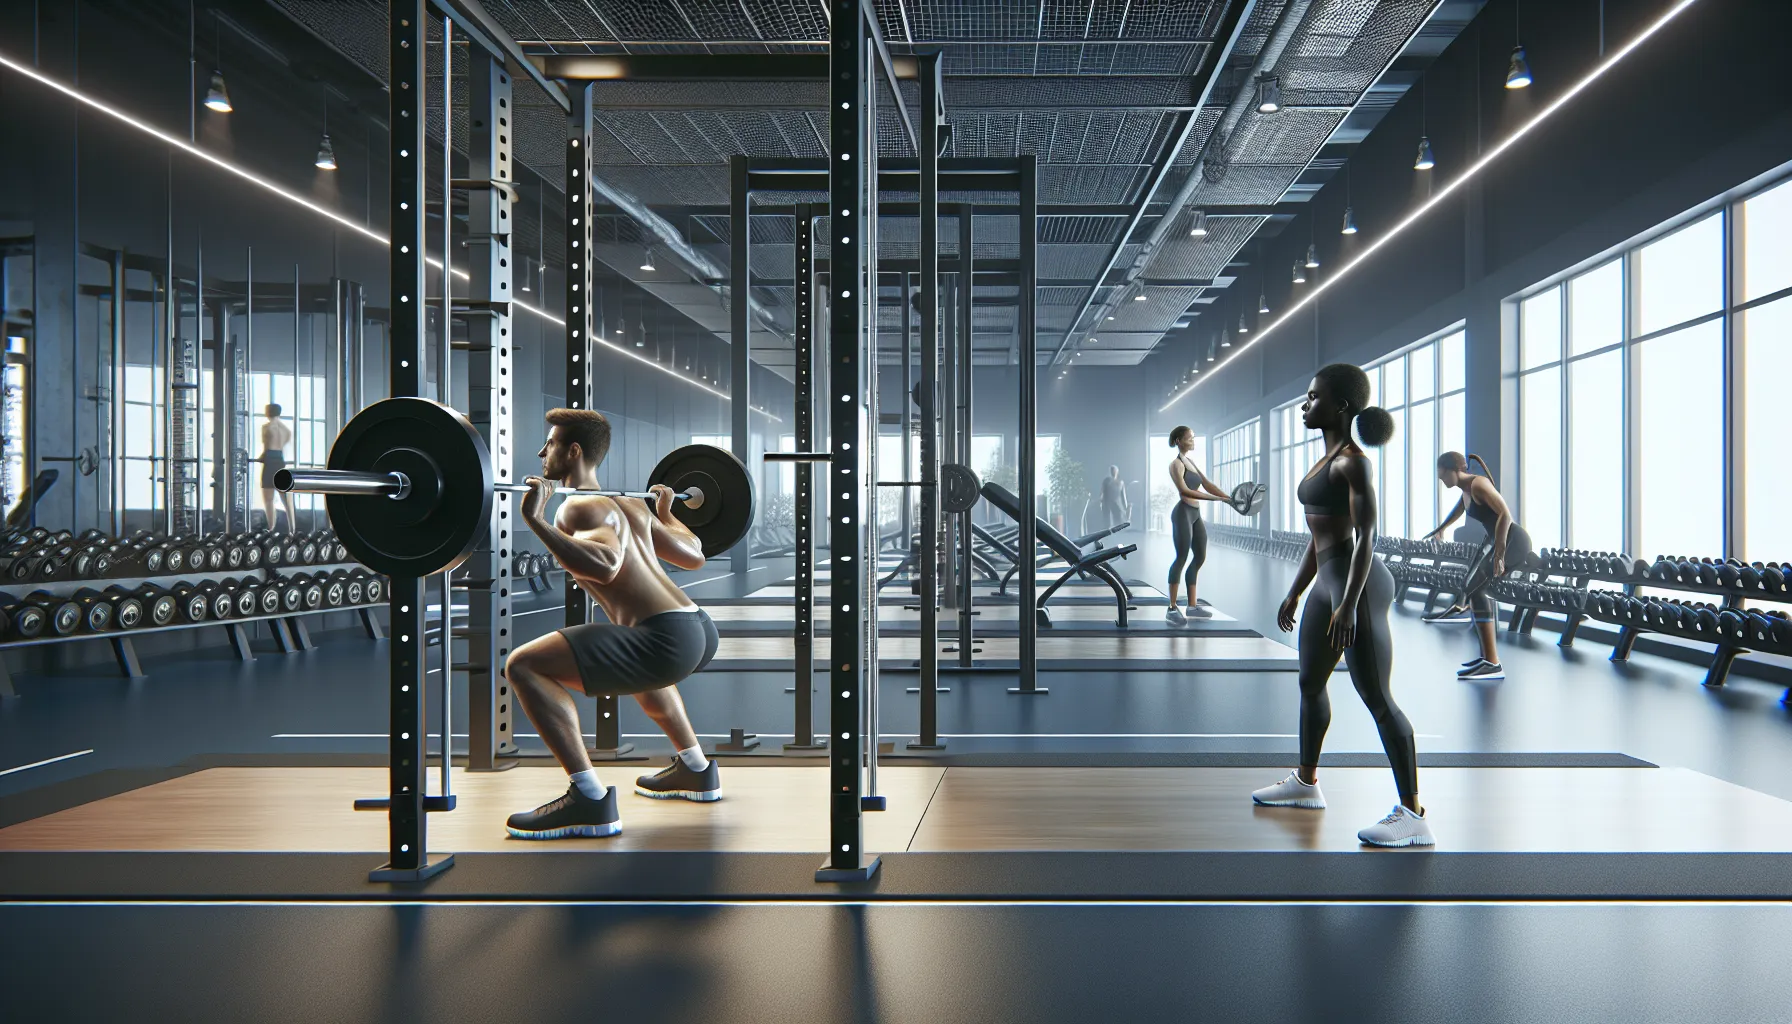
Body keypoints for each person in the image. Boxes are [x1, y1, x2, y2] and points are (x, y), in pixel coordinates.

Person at [502, 408, 722, 840]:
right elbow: (693, 554)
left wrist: (537, 520)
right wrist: (666, 512)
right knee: (640, 666)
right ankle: (696, 770)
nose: (541, 452)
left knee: (523, 665)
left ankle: (587, 798)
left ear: (574, 451)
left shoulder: (579, 508)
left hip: (665, 638)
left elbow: (605, 565)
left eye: (550, 444)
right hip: (695, 627)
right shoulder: (628, 504)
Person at [1250, 364, 1434, 848]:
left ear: (1341, 407)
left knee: (1377, 699)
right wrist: (1295, 589)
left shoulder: (1353, 462)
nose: (1304, 405)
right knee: (1310, 682)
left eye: (1313, 398)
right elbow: (1321, 536)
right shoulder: (1322, 461)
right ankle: (1306, 784)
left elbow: (1366, 534)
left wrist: (1349, 603)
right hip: (1327, 587)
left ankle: (1414, 815)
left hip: (1359, 586)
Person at [1419, 452, 1534, 682]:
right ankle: (1486, 659)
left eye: (1443, 476)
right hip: (1495, 539)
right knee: (1470, 585)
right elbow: (1460, 510)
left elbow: (1505, 514)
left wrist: (1500, 554)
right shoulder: (1466, 489)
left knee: (1477, 588)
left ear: (1454, 470)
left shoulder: (1478, 484)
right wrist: (1441, 528)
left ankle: (1492, 663)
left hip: (1512, 541)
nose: (1442, 481)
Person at [1163, 426, 1236, 624]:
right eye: (1189, 438)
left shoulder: (1190, 462)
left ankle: (1192, 606)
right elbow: (1185, 490)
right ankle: (1171, 608)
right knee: (1181, 557)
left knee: (1200, 556)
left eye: (1194, 438)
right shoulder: (1176, 465)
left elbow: (1206, 483)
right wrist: (1214, 499)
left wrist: (1227, 497)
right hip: (1182, 514)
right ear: (1179, 440)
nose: (1193, 441)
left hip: (1195, 514)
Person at [258, 404, 296, 533]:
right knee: (286, 499)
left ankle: (271, 528)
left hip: (270, 459)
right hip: (280, 460)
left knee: (268, 499)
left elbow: (266, 446)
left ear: (267, 412)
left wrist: (262, 457)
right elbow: (285, 445)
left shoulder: (266, 427)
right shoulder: (286, 430)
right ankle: (292, 529)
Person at [1098, 465, 1129, 543]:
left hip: (1117, 503)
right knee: (1107, 521)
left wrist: (1125, 507)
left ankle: (1118, 537)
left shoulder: (1120, 482)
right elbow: (1102, 491)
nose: (1113, 472)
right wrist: (1100, 501)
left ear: (1117, 472)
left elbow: (1123, 495)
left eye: (1114, 470)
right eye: (1112, 470)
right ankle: (1107, 538)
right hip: (1107, 502)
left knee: (1118, 520)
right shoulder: (1106, 481)